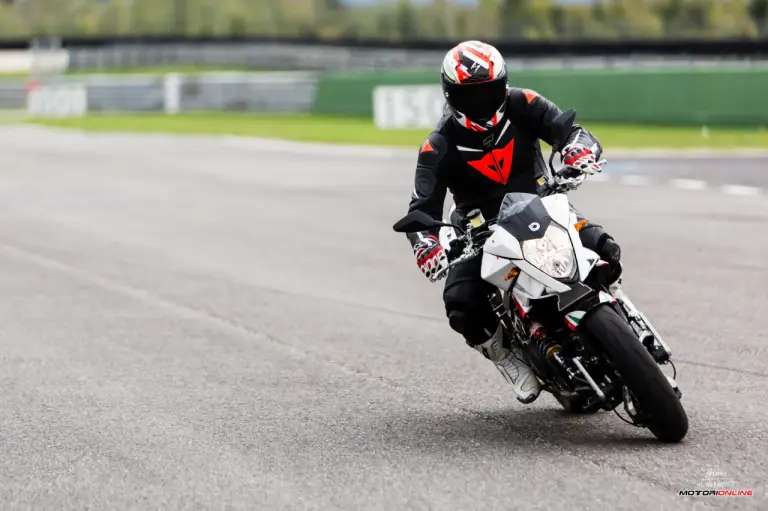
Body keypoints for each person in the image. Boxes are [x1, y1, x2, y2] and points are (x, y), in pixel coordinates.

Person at [403, 40, 623, 404]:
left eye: (488, 91)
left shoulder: (526, 104)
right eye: (469, 95)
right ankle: (505, 356)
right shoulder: (437, 146)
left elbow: (570, 130)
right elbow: (422, 209)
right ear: (450, 95)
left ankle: (620, 308)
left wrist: (577, 150)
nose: (480, 102)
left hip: (544, 206)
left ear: (503, 85)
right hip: (480, 232)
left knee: (603, 246)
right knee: (461, 302)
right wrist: (428, 245)